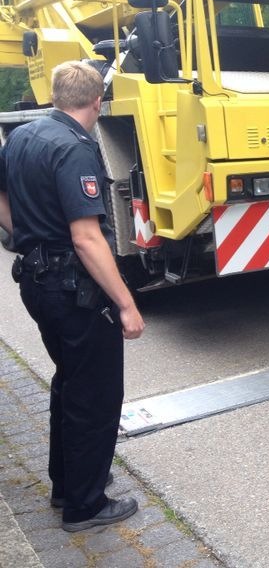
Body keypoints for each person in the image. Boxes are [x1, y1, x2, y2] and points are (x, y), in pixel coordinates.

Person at [0, 60, 145, 532]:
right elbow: (87, 238)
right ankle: (85, 505)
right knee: (95, 396)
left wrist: (25, 236)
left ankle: (66, 487)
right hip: (74, 292)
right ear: (97, 102)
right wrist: (126, 303)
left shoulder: (23, 136)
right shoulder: (76, 149)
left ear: (56, 96)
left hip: (38, 285)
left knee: (69, 384)